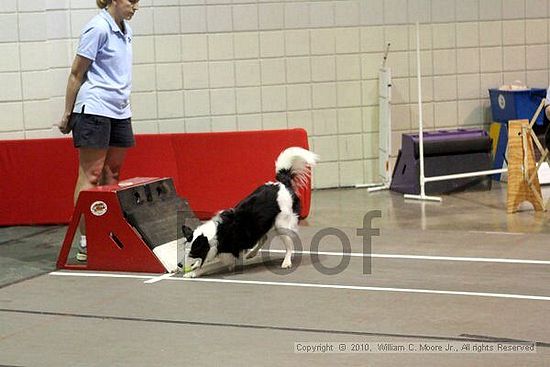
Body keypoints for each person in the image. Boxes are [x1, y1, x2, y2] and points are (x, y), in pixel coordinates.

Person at [58, 0, 139, 261]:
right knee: (91, 174)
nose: (136, 6)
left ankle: (107, 233)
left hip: (119, 110)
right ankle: (86, 239)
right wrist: (68, 113)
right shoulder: (97, 28)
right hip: (93, 108)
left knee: (112, 174)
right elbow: (76, 73)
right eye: (132, 0)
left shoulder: (126, 29)